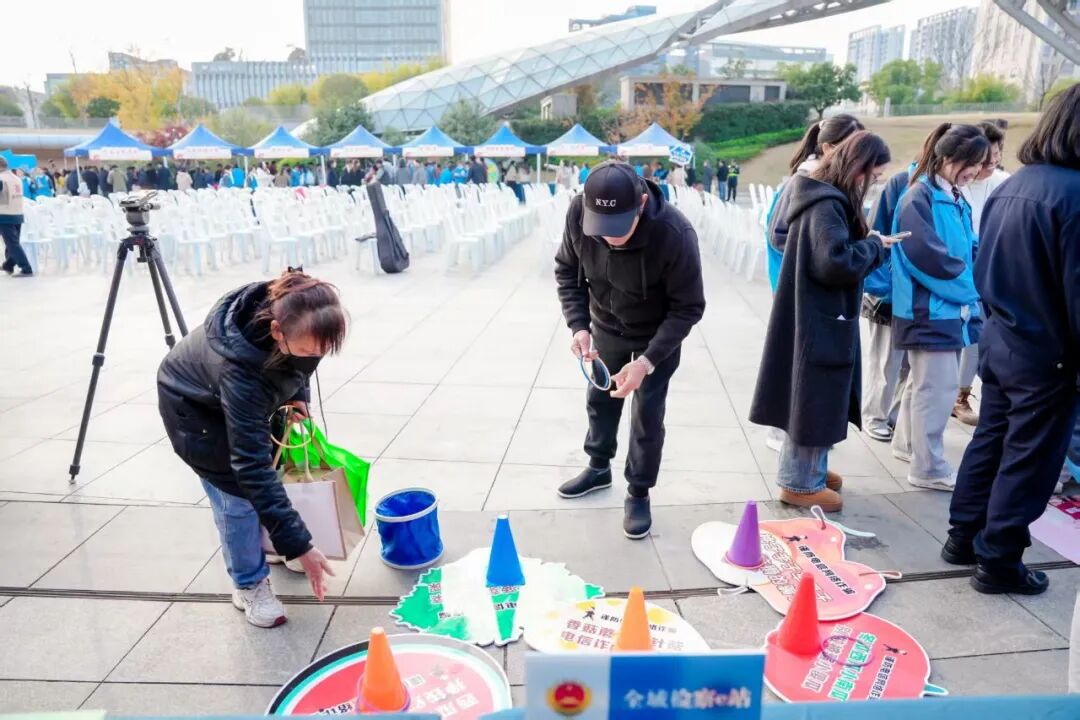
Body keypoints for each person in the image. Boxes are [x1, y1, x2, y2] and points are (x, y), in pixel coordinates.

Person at [944, 85, 1080, 595]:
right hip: (1047, 353)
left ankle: (963, 536)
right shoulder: (1073, 194)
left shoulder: (1015, 184)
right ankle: (998, 559)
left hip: (1002, 339)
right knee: (1029, 458)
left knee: (991, 441)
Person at [158, 270, 347, 626]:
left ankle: (271, 544)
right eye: (306, 351)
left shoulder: (297, 315)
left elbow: (300, 364)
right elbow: (251, 467)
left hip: (239, 401)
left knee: (270, 469)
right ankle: (248, 583)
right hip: (196, 415)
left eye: (321, 351)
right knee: (237, 500)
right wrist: (301, 546)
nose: (314, 358)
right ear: (277, 332)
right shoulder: (240, 373)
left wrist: (298, 393)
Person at [554, 160, 705, 539]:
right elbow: (566, 271)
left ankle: (639, 491)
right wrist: (579, 326)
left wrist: (648, 362)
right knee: (600, 398)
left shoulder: (674, 233)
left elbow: (689, 307)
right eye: (601, 229)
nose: (609, 238)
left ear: (641, 204)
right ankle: (598, 467)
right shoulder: (578, 214)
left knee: (647, 414)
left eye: (618, 227)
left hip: (657, 334)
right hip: (606, 324)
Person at [749, 132, 894, 512]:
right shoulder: (826, 203)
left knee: (813, 397)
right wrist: (874, 246)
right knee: (813, 399)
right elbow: (834, 262)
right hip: (821, 317)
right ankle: (799, 482)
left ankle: (809, 471)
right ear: (859, 168)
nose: (873, 182)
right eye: (874, 174)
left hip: (817, 313)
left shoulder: (819, 195)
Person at [891, 124, 989, 491]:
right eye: (971, 163)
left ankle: (908, 447)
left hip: (941, 309)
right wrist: (974, 289)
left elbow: (969, 247)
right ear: (948, 158)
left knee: (923, 386)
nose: (975, 171)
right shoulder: (920, 197)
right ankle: (928, 468)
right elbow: (928, 258)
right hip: (930, 310)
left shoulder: (951, 195)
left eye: (980, 164)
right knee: (938, 390)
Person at [953, 121, 1010, 427]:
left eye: (996, 156)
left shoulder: (1005, 182)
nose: (991, 164)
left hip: (992, 270)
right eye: (985, 159)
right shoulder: (956, 185)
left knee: (979, 338)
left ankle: (961, 395)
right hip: (961, 271)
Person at [0, 156, 33, 277]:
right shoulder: (16, 178)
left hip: (4, 215)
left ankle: (26, 268)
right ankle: (8, 265)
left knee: (12, 244)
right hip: (17, 214)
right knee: (13, 243)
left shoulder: (1, 178)